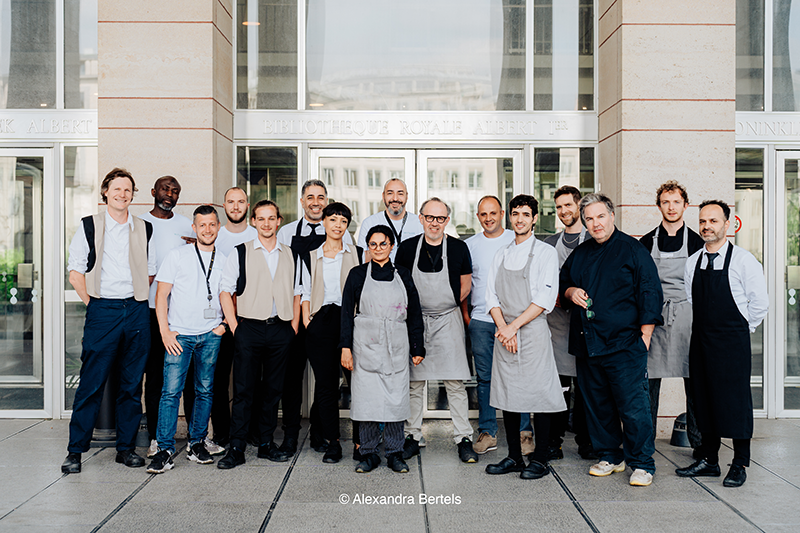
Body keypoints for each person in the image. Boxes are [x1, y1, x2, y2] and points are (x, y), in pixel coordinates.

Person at [560, 193, 663, 487]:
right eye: (589, 219)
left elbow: (650, 291)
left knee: (633, 406)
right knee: (597, 405)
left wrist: (644, 336)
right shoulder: (580, 252)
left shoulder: (632, 249)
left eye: (600, 217)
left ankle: (642, 463)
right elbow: (564, 283)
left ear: (612, 216)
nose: (595, 224)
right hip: (588, 343)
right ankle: (610, 455)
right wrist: (570, 293)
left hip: (625, 343)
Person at [62, 168, 156, 474]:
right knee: (91, 383)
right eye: (116, 189)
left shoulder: (144, 228)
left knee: (131, 385)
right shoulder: (90, 225)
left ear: (132, 194)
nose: (122, 194)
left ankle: (126, 449)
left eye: (128, 189)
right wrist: (97, 305)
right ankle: (75, 451)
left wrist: (134, 299)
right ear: (105, 192)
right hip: (103, 310)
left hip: (137, 310)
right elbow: (76, 274)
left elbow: (150, 270)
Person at [676, 200, 768, 488]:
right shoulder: (693, 262)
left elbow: (760, 304)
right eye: (703, 221)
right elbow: (693, 301)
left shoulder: (743, 260)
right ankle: (709, 460)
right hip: (701, 340)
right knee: (703, 400)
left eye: (714, 221)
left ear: (728, 225)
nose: (707, 226)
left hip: (732, 342)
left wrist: (742, 329)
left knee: (736, 402)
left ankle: (740, 462)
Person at [483, 195, 566, 479]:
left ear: (534, 219)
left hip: (531, 332)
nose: (519, 219)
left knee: (539, 395)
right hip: (505, 331)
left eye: (525, 214)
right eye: (515, 213)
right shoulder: (501, 253)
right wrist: (503, 328)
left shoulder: (545, 253)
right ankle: (514, 457)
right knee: (508, 395)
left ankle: (540, 459)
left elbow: (545, 299)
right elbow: (490, 297)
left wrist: (512, 327)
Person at [395, 197, 477, 463]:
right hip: (417, 321)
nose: (434, 223)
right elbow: (401, 285)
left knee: (455, 383)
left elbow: (466, 286)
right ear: (421, 218)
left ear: (447, 220)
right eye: (429, 217)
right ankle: (413, 436)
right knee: (415, 383)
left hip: (448, 318)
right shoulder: (407, 248)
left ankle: (463, 438)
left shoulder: (458, 247)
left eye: (440, 218)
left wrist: (448, 304)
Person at [216, 200, 298, 469]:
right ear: (253, 221)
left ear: (278, 221)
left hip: (280, 329)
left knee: (272, 391)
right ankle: (237, 447)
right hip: (248, 328)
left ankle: (265, 443)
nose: (266, 223)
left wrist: (293, 327)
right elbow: (225, 291)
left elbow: (300, 293)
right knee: (243, 390)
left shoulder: (291, 254)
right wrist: (235, 326)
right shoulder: (240, 252)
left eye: (271, 218)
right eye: (261, 219)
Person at [147, 206, 227, 474]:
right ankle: (165, 449)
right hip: (179, 335)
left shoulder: (225, 259)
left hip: (210, 335)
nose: (207, 229)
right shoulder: (177, 256)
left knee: (205, 391)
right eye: (202, 225)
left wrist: (224, 325)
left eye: (212, 224)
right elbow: (160, 296)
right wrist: (165, 331)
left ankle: (197, 443)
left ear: (218, 227)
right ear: (194, 228)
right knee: (170, 393)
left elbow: (231, 296)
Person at [277, 180, 353, 456]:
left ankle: (322, 435)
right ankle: (290, 436)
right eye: (310, 197)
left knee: (329, 382)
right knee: (293, 379)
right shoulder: (287, 233)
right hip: (301, 316)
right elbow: (289, 278)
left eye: (321, 196)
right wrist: (302, 321)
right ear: (302, 201)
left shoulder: (346, 241)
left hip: (337, 319)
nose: (315, 201)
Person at [340, 225, 425, 473]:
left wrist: (417, 346)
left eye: (383, 244)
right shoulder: (357, 275)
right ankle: (367, 453)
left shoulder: (404, 275)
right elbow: (346, 314)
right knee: (367, 402)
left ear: (391, 246)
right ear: (368, 247)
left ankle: (394, 452)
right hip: (364, 346)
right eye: (373, 244)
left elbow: (415, 312)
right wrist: (345, 348)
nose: (378, 249)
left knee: (396, 400)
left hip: (396, 345)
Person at [639, 181, 704, 451]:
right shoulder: (645, 242)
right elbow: (639, 283)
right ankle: (645, 447)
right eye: (666, 202)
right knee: (648, 385)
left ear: (685, 206)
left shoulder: (697, 242)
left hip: (688, 319)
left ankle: (701, 447)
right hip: (654, 320)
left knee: (695, 384)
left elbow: (703, 284)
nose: (671, 207)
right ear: (659, 206)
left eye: (676, 202)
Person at [139, 176, 200, 459]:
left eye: (175, 191)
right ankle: (155, 436)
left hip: (183, 313)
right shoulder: (139, 223)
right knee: (155, 377)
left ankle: (193, 437)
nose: (170, 194)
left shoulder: (187, 224)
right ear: (154, 191)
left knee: (188, 377)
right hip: (151, 311)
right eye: (165, 189)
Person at [298, 202, 362, 464]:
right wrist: (307, 322)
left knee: (357, 384)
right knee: (326, 387)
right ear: (323, 222)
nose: (338, 225)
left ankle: (361, 443)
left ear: (347, 226)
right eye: (333, 219)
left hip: (351, 322)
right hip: (321, 322)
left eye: (343, 221)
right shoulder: (311, 255)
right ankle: (332, 442)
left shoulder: (356, 253)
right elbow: (304, 292)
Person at [203, 187, 258, 450]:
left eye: (240, 202)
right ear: (224, 206)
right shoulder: (215, 235)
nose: (235, 207)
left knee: (251, 379)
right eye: (230, 202)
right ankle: (222, 433)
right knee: (219, 379)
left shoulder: (258, 234)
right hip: (221, 323)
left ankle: (251, 431)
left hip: (252, 320)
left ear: (248, 205)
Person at [544, 185, 594, 460]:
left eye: (568, 205)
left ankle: (587, 441)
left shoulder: (594, 240)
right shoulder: (551, 243)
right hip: (557, 326)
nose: (564, 211)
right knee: (558, 386)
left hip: (587, 325)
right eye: (559, 207)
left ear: (579, 207)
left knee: (587, 386)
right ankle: (555, 441)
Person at [463, 196, 516, 455]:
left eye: (493, 213)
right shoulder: (470, 245)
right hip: (482, 322)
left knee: (516, 377)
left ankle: (523, 433)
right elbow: (463, 285)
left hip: (513, 322)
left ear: (502, 213)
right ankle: (488, 431)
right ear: (478, 216)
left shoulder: (515, 239)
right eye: (483, 214)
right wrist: (468, 318)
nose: (488, 218)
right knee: (484, 379)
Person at [356, 178, 423, 261]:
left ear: (407, 197)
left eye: (400, 193)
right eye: (390, 193)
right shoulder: (369, 223)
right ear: (383, 196)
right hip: (380, 273)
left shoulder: (420, 222)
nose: (395, 198)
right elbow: (363, 259)